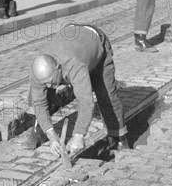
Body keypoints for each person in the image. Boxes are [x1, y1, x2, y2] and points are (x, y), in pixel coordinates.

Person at [29, 23, 128, 157]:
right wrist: (52, 136)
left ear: (58, 68)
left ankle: (119, 140)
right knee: (42, 95)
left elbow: (86, 101)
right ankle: (39, 130)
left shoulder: (74, 66)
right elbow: (39, 103)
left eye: (52, 81)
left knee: (107, 97)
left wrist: (78, 135)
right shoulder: (39, 70)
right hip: (72, 38)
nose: (50, 86)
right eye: (45, 82)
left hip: (97, 47)